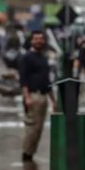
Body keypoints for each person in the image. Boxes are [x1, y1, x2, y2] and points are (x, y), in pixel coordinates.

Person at [18, 30, 55, 162]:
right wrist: (26, 97)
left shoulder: (44, 58)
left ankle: (31, 155)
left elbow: (47, 80)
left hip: (44, 96)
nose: (39, 41)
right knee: (32, 127)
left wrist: (53, 100)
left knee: (39, 128)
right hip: (33, 96)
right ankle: (26, 155)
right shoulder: (26, 57)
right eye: (36, 39)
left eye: (41, 39)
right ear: (31, 41)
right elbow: (23, 79)